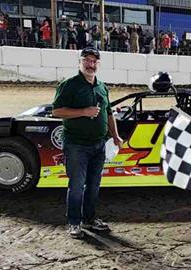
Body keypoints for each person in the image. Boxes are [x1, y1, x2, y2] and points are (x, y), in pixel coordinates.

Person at [52, 47, 123, 239]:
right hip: (76, 145)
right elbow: (56, 112)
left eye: (94, 62)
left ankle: (89, 219)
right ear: (80, 62)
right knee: (77, 185)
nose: (91, 65)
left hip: (99, 145)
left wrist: (115, 136)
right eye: (87, 61)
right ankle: (74, 222)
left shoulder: (102, 86)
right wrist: (83, 112)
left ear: (98, 64)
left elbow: (108, 113)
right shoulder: (69, 85)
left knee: (94, 185)